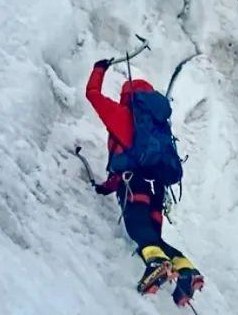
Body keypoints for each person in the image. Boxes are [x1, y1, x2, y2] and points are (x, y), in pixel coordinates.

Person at [86, 58, 205, 307]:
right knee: (154, 238)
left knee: (139, 230)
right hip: (157, 189)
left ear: (127, 97)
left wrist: (99, 69)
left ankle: (156, 265)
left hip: (135, 184)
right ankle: (186, 271)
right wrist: (107, 186)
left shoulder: (123, 116)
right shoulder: (159, 126)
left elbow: (92, 94)